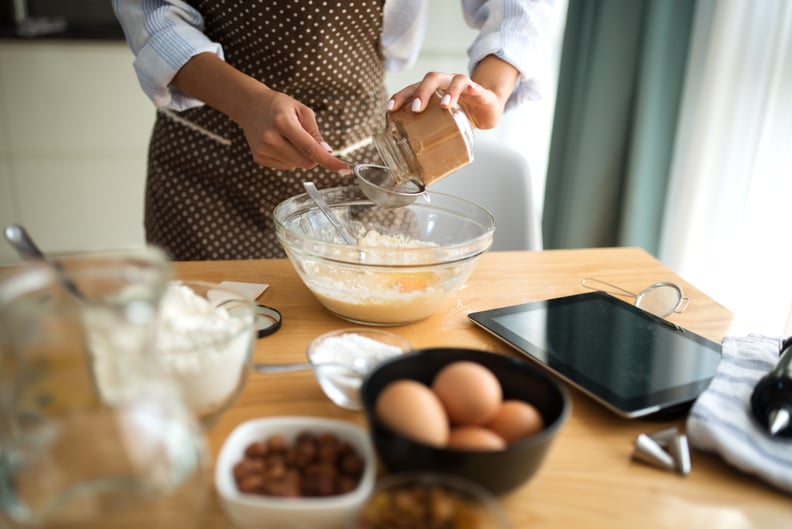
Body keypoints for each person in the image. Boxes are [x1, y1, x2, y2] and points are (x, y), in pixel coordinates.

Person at [113, 0, 555, 260]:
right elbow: (151, 14)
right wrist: (247, 104)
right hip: (206, 176)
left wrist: (492, 91)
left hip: (374, 176)